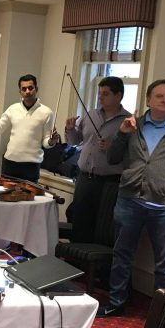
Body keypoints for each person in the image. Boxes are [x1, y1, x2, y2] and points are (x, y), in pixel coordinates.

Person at [100, 79, 165, 317]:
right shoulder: (131, 125)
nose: (164, 100)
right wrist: (122, 135)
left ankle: (161, 314)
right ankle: (116, 303)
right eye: (159, 96)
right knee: (122, 254)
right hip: (130, 199)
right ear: (148, 100)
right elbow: (112, 158)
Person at [64, 76, 131, 243]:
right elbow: (74, 141)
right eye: (99, 93)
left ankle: (96, 267)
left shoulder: (128, 121)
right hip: (84, 179)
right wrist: (70, 129)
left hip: (109, 183)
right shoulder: (90, 115)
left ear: (118, 96)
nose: (100, 97)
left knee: (102, 228)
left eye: (105, 94)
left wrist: (112, 146)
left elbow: (133, 154)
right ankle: (76, 263)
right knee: (79, 223)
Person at [0, 74, 59, 182]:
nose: (27, 91)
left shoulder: (47, 112)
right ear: (20, 91)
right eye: (23, 89)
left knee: (28, 198)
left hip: (31, 167)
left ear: (36, 89)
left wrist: (51, 141)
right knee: (6, 198)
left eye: (31, 88)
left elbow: (45, 142)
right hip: (10, 164)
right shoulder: (12, 109)